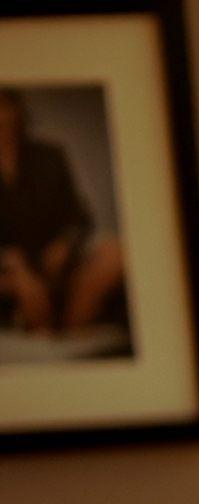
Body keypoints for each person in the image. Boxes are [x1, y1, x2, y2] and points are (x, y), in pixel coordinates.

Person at [0, 86, 128, 339]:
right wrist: (11, 262)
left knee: (114, 252)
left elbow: (79, 216)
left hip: (54, 261)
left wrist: (64, 244)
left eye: (3, 107)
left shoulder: (48, 156)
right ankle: (39, 327)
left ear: (16, 109)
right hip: (10, 267)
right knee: (21, 281)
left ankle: (70, 330)